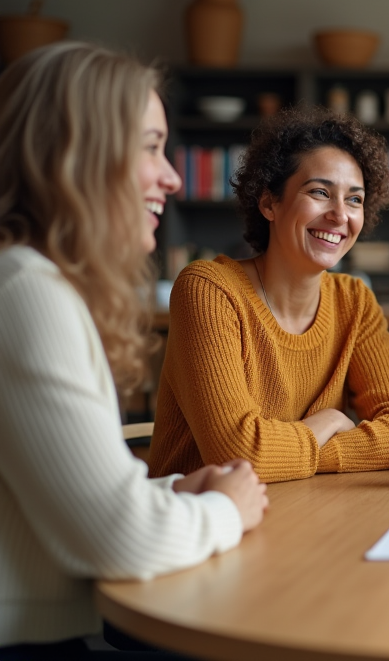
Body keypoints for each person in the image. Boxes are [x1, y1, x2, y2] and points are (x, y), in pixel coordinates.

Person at [0, 42, 268, 657]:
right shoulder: (26, 292)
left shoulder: (32, 283)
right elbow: (118, 538)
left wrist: (173, 492)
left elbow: (62, 495)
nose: (173, 176)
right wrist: (227, 511)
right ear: (75, 152)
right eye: (151, 146)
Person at [147, 107, 389, 484]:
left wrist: (292, 451)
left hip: (302, 512)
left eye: (355, 200)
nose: (339, 215)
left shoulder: (354, 301)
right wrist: (327, 423)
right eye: (319, 192)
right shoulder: (209, 289)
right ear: (269, 203)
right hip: (202, 524)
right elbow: (239, 454)